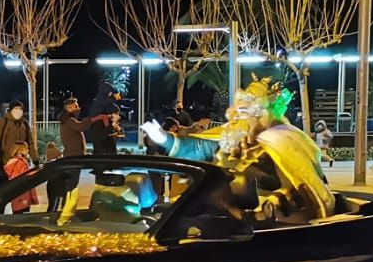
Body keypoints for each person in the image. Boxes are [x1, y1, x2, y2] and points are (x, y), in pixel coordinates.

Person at [142, 77, 333, 223]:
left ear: (262, 114)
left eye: (247, 112)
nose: (239, 118)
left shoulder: (282, 138)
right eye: (239, 112)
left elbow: (302, 187)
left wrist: (275, 201)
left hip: (268, 224)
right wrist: (165, 139)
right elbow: (200, 147)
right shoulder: (231, 135)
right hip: (219, 216)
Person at [0, 100, 33, 187]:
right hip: (5, 163)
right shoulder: (2, 122)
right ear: (10, 110)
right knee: (3, 190)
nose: (18, 111)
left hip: (20, 164)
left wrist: (35, 160)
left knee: (18, 191)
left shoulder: (24, 124)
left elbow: (30, 142)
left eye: (20, 109)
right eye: (16, 108)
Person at [4, 142, 36, 213]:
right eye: (26, 148)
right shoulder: (20, 162)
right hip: (22, 192)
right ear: (20, 150)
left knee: (17, 211)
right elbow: (23, 176)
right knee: (23, 213)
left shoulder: (12, 162)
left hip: (15, 191)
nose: (28, 150)